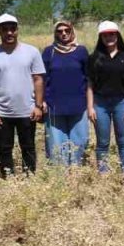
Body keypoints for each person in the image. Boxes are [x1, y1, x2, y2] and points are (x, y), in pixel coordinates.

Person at [0, 14, 45, 178]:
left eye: (12, 29)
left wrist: (38, 106)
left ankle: (29, 179)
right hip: (2, 113)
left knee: (28, 147)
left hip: (28, 110)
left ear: (17, 30)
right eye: (5, 29)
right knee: (4, 148)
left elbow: (38, 79)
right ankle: (7, 180)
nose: (9, 33)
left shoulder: (32, 52)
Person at [86, 21, 124, 173]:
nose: (109, 37)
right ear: (100, 37)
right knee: (102, 142)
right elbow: (89, 85)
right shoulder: (94, 58)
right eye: (105, 35)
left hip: (122, 102)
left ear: (118, 35)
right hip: (100, 104)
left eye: (112, 34)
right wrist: (90, 107)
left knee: (123, 141)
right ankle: (103, 174)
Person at [41, 20, 90, 167]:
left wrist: (90, 103)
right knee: (56, 145)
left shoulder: (81, 51)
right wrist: (41, 100)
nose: (63, 33)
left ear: (72, 32)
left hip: (79, 105)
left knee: (80, 142)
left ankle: (76, 173)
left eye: (67, 30)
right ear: (55, 33)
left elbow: (89, 78)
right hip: (54, 105)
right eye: (59, 31)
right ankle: (59, 175)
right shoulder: (49, 52)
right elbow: (42, 78)